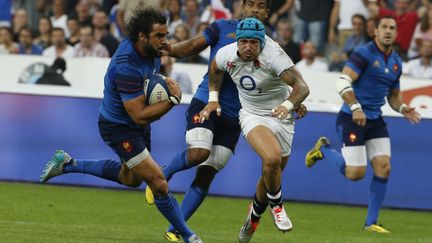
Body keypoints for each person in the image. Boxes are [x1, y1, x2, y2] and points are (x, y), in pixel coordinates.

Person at [39, 8, 202, 243]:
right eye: (159, 35)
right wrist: (172, 101)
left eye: (165, 34)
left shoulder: (151, 48)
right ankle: (188, 236)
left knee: (131, 179)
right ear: (142, 36)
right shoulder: (126, 65)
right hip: (119, 127)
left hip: (135, 125)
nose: (164, 40)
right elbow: (139, 116)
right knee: (158, 183)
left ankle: (68, 164)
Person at [145, 1, 301, 242]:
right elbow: (193, 46)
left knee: (207, 173)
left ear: (267, 13)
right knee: (198, 153)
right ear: (242, 7)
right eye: (251, 4)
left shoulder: (269, 47)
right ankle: (162, 174)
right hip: (207, 102)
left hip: (236, 114)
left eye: (261, 6)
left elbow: (285, 80)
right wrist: (168, 48)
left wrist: (294, 101)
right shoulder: (221, 29)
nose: (255, 10)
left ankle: (175, 229)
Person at [305, 16, 421, 233]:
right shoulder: (364, 53)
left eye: (392, 28)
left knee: (384, 167)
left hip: (375, 120)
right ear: (375, 31)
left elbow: (394, 96)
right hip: (351, 118)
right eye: (384, 27)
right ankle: (323, 150)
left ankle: (371, 223)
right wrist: (356, 106)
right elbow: (342, 80)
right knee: (355, 174)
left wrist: (404, 108)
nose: (388, 31)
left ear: (396, 34)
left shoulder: (396, 61)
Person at [199, 17, 309, 242]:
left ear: (262, 43)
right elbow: (214, 69)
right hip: (252, 115)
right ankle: (277, 206)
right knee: (271, 158)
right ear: (238, 41)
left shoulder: (274, 56)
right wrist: (212, 99)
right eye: (244, 42)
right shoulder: (226, 54)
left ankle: (254, 217)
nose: (248, 47)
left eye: (254, 43)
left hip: (283, 117)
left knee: (271, 173)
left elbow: (302, 86)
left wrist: (290, 104)